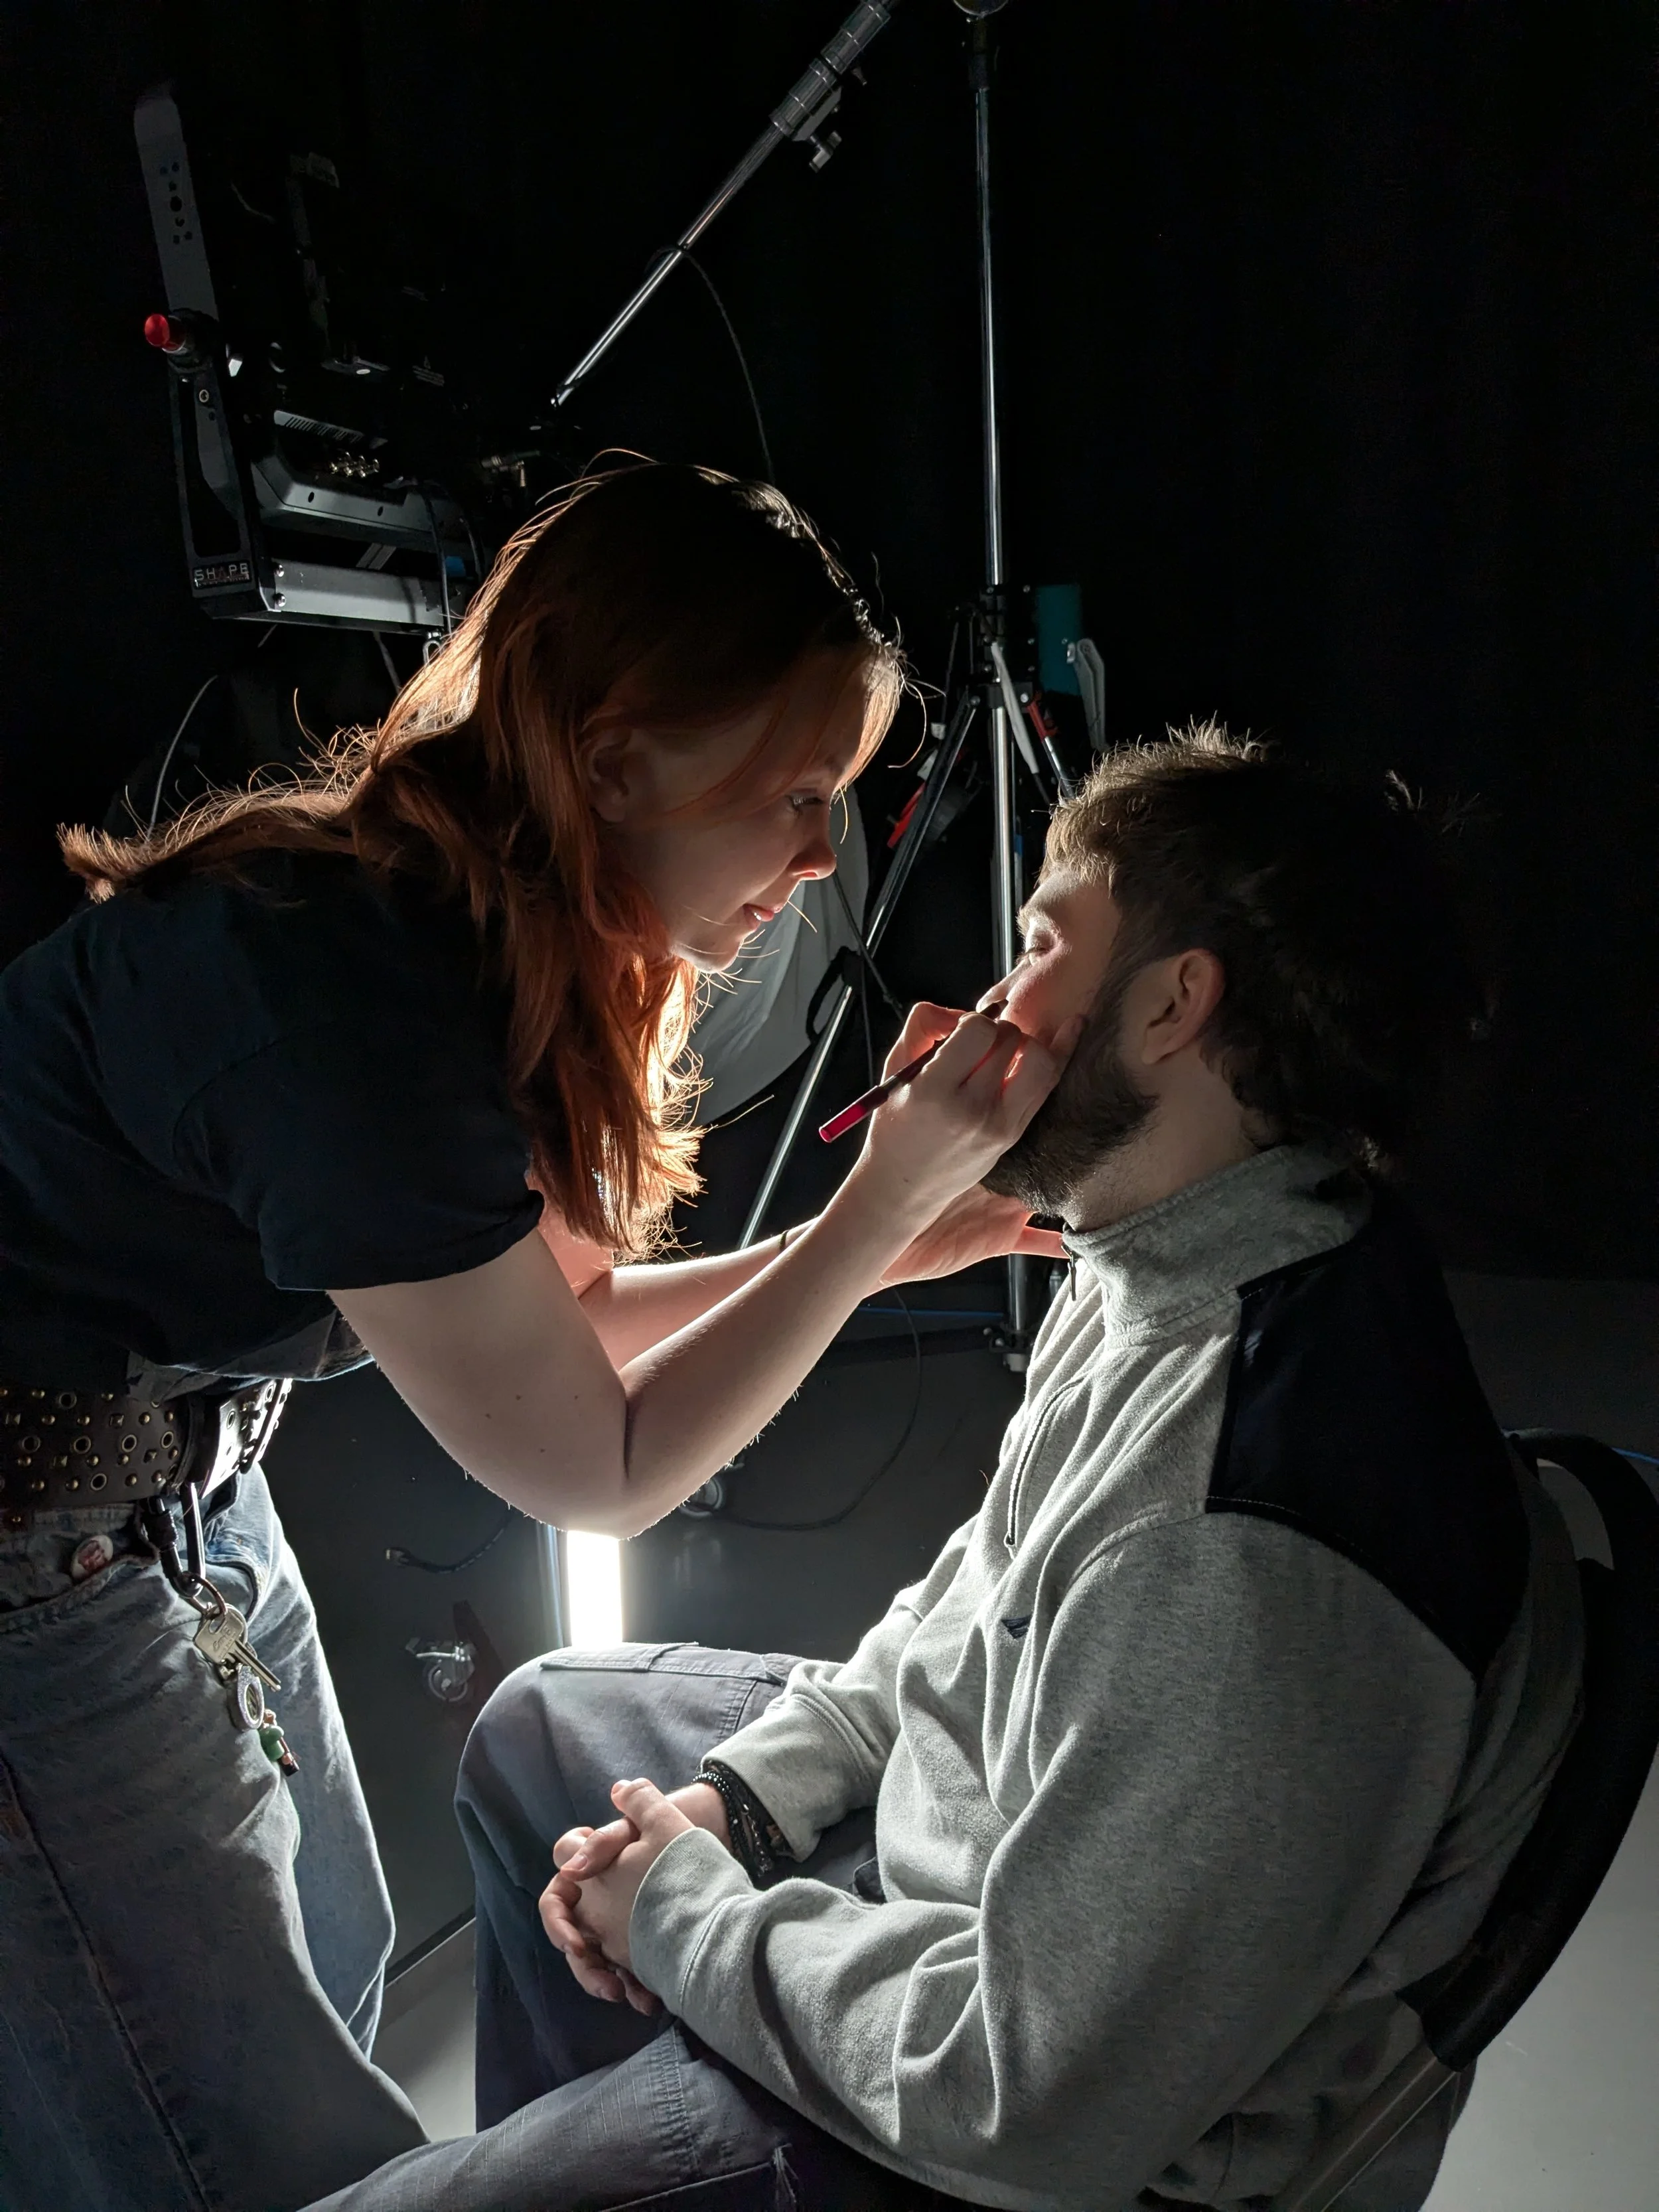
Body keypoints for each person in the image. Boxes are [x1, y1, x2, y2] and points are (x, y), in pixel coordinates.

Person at [305, 726, 1584, 2212]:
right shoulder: (1163, 1254)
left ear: (1173, 1006)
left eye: (1042, 943)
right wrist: (745, 1807)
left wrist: (693, 1923)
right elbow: (975, 1600)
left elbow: (1025, 2100)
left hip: (1027, 2145)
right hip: (975, 1884)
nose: (982, 997)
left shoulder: (1244, 1533)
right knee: (541, 1726)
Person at [0, 461, 1074, 2212]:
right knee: (228, 2156)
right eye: (794, 792)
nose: (817, 858)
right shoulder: (344, 1002)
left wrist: (858, 1251)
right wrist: (874, 1215)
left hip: (167, 1490)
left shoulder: (487, 931)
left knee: (316, 1996)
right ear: (618, 748)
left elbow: (559, 1326)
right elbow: (595, 1459)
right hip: (32, 1547)